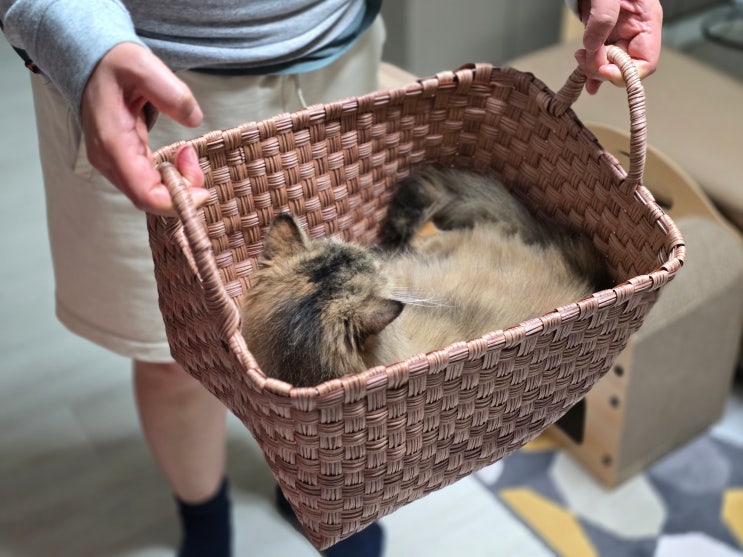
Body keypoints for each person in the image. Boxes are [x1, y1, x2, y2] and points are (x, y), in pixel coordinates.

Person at [0, 1, 663, 556]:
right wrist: (82, 39)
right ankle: (203, 514)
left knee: (348, 394)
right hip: (142, 75)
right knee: (174, 359)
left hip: (334, 53)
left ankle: (319, 491)